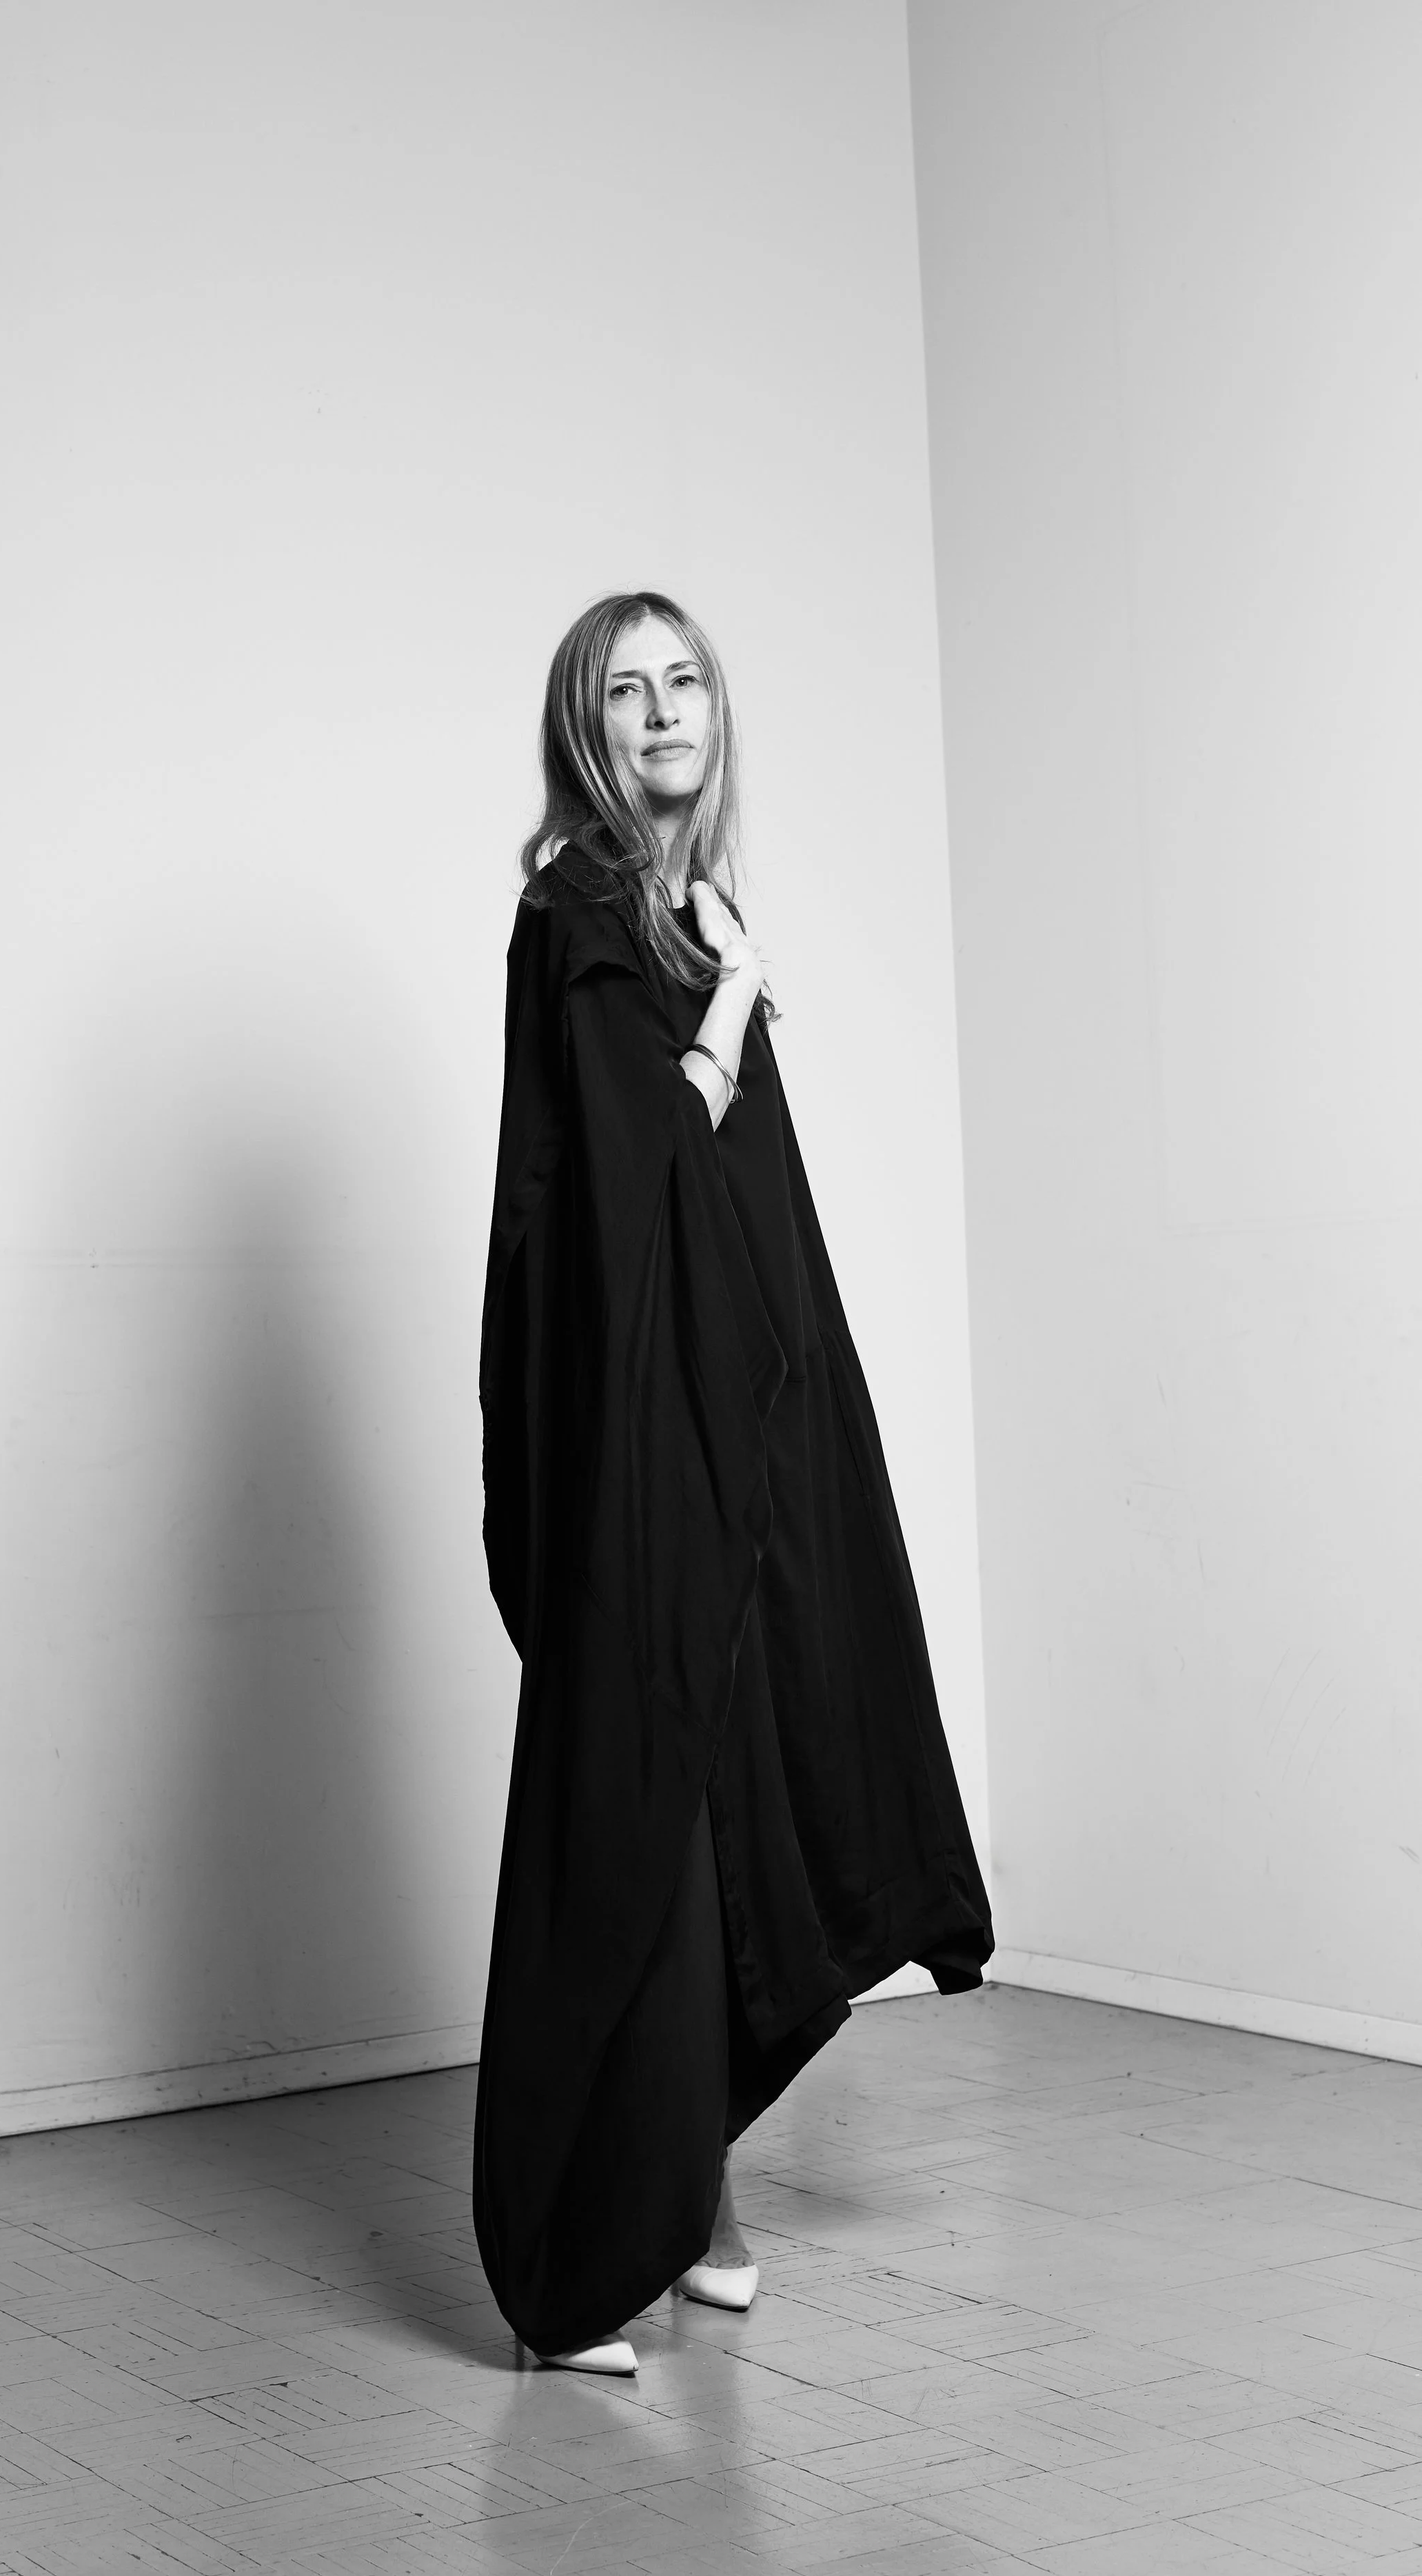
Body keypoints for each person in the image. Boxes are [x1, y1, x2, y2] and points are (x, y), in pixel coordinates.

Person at [474, 591, 993, 2376]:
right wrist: (733, 1006)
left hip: (729, 1435)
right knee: (642, 1820)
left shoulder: (698, 909)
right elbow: (620, 1193)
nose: (660, 710)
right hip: (631, 1448)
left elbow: (755, 1225)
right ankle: (572, 2255)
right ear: (582, 731)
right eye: (622, 690)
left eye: (681, 679)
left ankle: (694, 2206)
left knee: (733, 1790)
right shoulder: (579, 908)